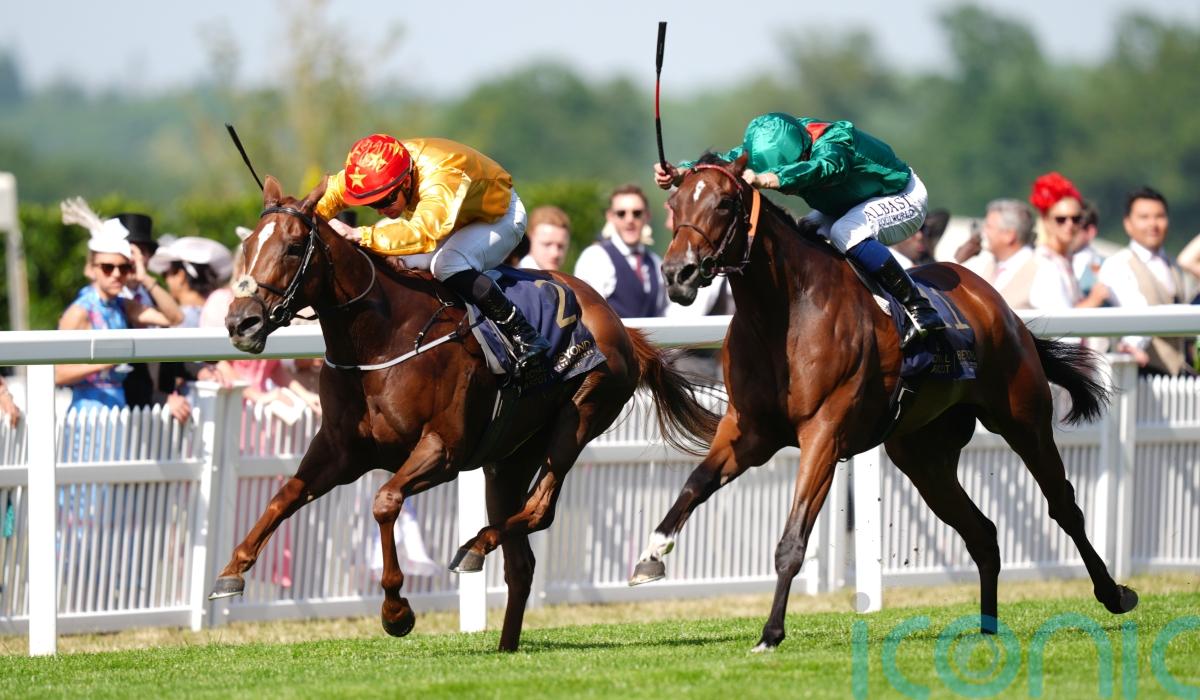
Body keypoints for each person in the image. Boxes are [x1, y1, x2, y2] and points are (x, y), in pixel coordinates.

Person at [655, 112, 943, 346]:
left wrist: (771, 178)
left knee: (845, 232)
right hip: (847, 205)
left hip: (901, 196)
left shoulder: (835, 141)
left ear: (803, 151)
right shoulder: (765, 146)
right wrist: (679, 173)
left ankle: (918, 307)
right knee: (805, 230)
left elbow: (826, 168)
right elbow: (719, 167)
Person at [318, 134, 550, 382]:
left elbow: (424, 233)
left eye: (386, 199)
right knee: (398, 262)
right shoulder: (372, 170)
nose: (381, 210)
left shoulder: (441, 173)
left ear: (407, 181)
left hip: (498, 216)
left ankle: (524, 335)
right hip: (451, 217)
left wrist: (359, 234)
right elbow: (326, 196)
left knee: (447, 264)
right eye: (372, 203)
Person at [55, 218, 184, 414]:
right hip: (89, 412)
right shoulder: (79, 311)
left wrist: (144, 277)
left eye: (124, 268)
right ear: (91, 269)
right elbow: (58, 375)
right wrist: (103, 363)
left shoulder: (122, 305)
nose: (116, 274)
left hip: (119, 409)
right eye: (108, 267)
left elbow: (174, 318)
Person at [1098, 187, 1194, 376]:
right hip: (1140, 374)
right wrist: (1132, 345)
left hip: (1179, 376)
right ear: (1128, 224)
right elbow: (1136, 311)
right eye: (1144, 217)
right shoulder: (1118, 264)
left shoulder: (1173, 264)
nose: (1153, 224)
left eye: (1159, 216)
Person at [149, 236, 235, 421]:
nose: (166, 281)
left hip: (192, 408)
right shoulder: (220, 308)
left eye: (166, 274)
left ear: (180, 276)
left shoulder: (181, 318)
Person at [573, 184, 668, 318]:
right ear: (610, 216)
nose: (629, 220)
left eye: (637, 213)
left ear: (647, 216)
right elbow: (589, 315)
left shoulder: (656, 262)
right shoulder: (595, 257)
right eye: (621, 213)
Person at [1026, 173, 1109, 311]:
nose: (1069, 225)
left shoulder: (1063, 260)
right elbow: (1059, 319)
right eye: (1061, 219)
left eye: (1076, 219)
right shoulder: (1045, 264)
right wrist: (1093, 301)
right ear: (1046, 220)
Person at [971, 199, 1038, 309]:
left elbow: (1057, 316)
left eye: (989, 226)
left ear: (1009, 235)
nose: (983, 231)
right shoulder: (990, 266)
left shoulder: (1041, 269)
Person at [519, 205, 571, 271]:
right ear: (529, 240)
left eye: (561, 246)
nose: (555, 253)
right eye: (547, 244)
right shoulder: (513, 274)